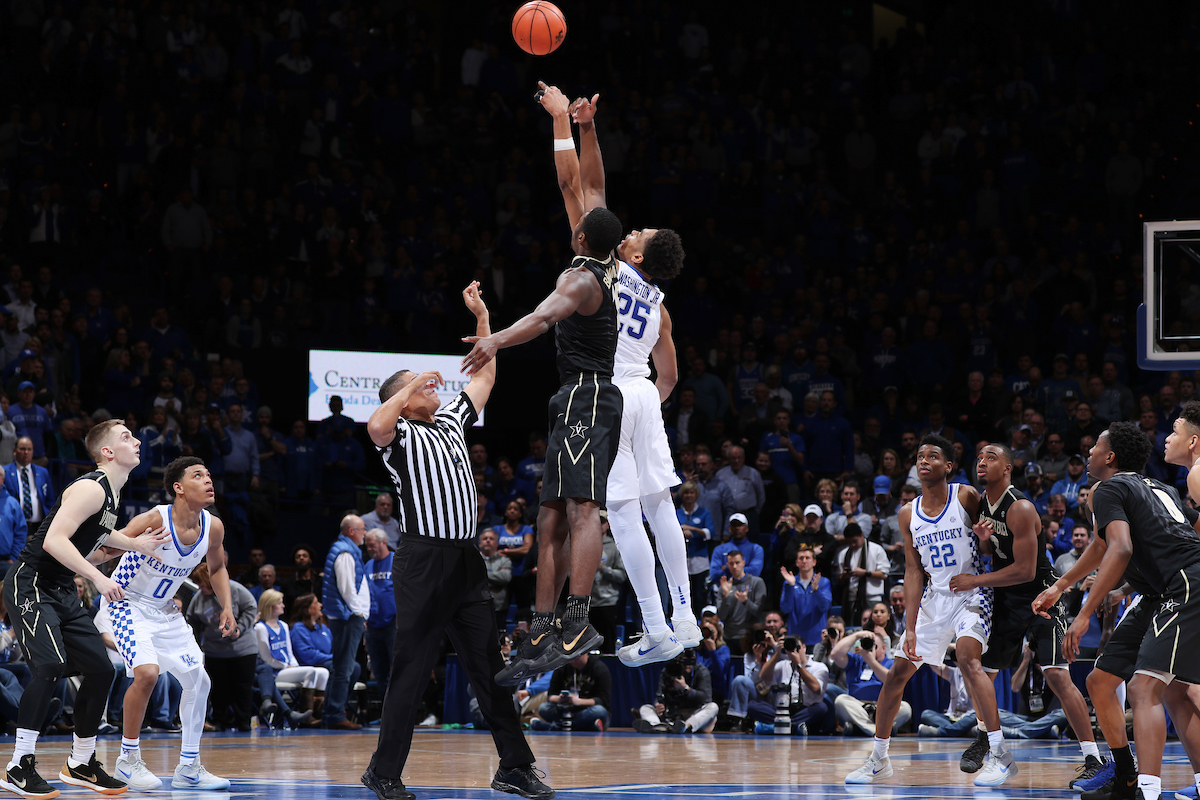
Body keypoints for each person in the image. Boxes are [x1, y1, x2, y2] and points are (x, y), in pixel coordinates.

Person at [461, 85, 628, 686]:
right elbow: (580, 185)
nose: (574, 219)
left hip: (590, 392)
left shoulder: (582, 279)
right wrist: (574, 125)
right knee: (550, 512)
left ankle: (579, 621)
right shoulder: (600, 249)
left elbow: (539, 317)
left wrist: (494, 339)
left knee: (584, 508)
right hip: (574, 395)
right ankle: (543, 625)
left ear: (584, 237)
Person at [362, 282, 551, 800]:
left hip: (467, 560)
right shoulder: (398, 433)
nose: (434, 388)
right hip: (423, 560)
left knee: (491, 668)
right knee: (411, 670)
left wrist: (485, 318)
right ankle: (384, 771)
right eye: (423, 386)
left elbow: (485, 374)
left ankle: (514, 765)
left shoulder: (450, 420)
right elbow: (376, 424)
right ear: (403, 398)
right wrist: (408, 384)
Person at [539, 84, 695, 667]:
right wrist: (589, 128)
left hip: (608, 394)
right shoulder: (658, 303)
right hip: (646, 396)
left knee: (622, 513)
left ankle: (656, 626)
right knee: (662, 509)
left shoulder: (602, 265)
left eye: (640, 235)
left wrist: (568, 124)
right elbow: (672, 375)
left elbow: (580, 188)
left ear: (633, 256)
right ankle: (684, 618)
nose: (632, 230)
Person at [0, 419, 172, 798]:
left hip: (59, 589)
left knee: (99, 669)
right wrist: (98, 577)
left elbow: (96, 535)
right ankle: (18, 765)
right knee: (47, 668)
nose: (137, 440)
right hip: (31, 583)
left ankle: (81, 761)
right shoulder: (90, 487)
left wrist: (133, 543)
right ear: (107, 452)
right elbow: (55, 542)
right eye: (126, 437)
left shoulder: (110, 494)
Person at [1036, 420, 1200, 800]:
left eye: (1095, 447)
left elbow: (1120, 549)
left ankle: (1147, 790)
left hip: (1184, 585)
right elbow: (1101, 546)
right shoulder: (1159, 486)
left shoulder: (1107, 488)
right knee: (1101, 680)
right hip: (1162, 592)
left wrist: (1083, 615)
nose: (1089, 452)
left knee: (1146, 687)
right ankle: (1126, 774)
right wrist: (1061, 586)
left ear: (1109, 457)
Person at [845, 435, 1011, 788]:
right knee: (896, 676)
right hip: (934, 600)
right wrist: (910, 624)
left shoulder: (965, 495)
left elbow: (989, 541)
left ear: (948, 466)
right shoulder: (908, 514)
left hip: (972, 592)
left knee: (968, 658)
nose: (924, 461)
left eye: (933, 456)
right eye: (920, 456)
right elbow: (913, 571)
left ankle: (999, 754)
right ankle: (879, 758)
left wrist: (982, 541)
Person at [948, 443, 1098, 785]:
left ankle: (1092, 756)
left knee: (1057, 675)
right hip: (1007, 599)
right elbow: (994, 552)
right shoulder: (983, 503)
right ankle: (988, 738)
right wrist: (984, 542)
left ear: (1009, 468)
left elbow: (1025, 571)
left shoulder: (1021, 507)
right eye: (980, 457)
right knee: (982, 673)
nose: (982, 462)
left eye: (992, 457)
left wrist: (975, 579)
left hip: (1042, 596)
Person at [100, 457, 232, 791]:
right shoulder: (155, 518)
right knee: (147, 673)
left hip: (164, 610)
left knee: (198, 682)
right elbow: (107, 546)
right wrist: (82, 568)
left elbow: (216, 569)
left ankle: (189, 766)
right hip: (125, 602)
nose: (207, 480)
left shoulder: (213, 527)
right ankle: (128, 760)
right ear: (178, 487)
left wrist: (227, 606)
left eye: (209, 474)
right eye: (198, 475)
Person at [186, 561, 257, 733]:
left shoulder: (235, 589)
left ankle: (243, 722)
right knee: (218, 689)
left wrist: (239, 628)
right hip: (215, 651)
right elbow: (192, 620)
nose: (200, 589)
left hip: (242, 649)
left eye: (202, 585)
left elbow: (251, 607)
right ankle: (219, 721)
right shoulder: (199, 598)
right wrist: (196, 644)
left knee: (242, 688)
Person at [321, 513, 369, 730]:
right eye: (362, 529)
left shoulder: (344, 550)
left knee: (341, 666)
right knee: (344, 668)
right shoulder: (346, 552)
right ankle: (336, 713)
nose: (365, 534)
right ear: (351, 531)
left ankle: (330, 712)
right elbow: (347, 589)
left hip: (346, 616)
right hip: (348, 617)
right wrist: (359, 612)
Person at [252, 589, 325, 728]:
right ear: (269, 605)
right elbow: (266, 657)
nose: (283, 606)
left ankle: (316, 715)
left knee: (323, 672)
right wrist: (287, 667)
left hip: (287, 668)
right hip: (274, 672)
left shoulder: (284, 625)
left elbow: (289, 652)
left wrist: (295, 666)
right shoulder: (260, 628)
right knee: (311, 671)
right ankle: (305, 716)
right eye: (279, 603)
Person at [831, 627, 912, 736]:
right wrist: (857, 635)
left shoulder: (890, 663)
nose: (870, 649)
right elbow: (835, 654)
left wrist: (871, 661)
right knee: (841, 700)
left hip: (882, 707)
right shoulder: (856, 660)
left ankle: (860, 728)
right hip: (859, 707)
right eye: (868, 645)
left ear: (884, 648)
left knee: (905, 708)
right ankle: (876, 731)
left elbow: (891, 681)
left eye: (875, 646)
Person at [634, 650, 718, 734]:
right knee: (645, 708)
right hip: (672, 714)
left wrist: (685, 688)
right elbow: (659, 694)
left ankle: (685, 726)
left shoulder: (702, 672)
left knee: (713, 707)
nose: (687, 665)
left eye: (690, 661)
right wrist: (658, 705)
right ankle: (657, 725)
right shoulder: (668, 671)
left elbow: (705, 699)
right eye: (684, 661)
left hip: (692, 714)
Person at [529, 651, 610, 732]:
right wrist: (559, 699)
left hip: (586, 710)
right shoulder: (562, 668)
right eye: (571, 657)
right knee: (543, 708)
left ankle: (556, 726)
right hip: (566, 710)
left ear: (586, 653)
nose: (574, 660)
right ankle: (588, 727)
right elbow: (550, 696)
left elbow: (602, 700)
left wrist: (579, 701)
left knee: (599, 711)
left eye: (577, 657)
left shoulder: (599, 668)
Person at [363, 529, 395, 699]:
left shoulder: (396, 561)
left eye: (372, 545)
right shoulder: (368, 565)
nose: (369, 548)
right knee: (379, 671)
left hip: (394, 624)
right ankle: (385, 711)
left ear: (383, 542)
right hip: (373, 626)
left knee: (397, 669)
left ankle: (399, 711)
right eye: (367, 545)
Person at [779, 546, 832, 646]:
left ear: (814, 562)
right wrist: (790, 586)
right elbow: (785, 609)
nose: (804, 561)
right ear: (796, 562)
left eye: (807, 558)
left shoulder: (823, 582)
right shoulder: (789, 582)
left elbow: (825, 607)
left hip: (817, 639)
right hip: (795, 638)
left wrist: (816, 590)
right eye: (801, 558)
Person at [715, 551, 765, 654]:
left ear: (744, 563)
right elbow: (721, 616)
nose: (734, 566)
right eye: (731, 563)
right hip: (730, 637)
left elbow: (759, 612)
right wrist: (726, 596)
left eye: (737, 562)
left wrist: (746, 601)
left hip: (750, 636)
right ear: (727, 565)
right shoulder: (724, 587)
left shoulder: (757, 582)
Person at [4, 438, 54, 530]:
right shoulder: (5, 472)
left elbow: (50, 499)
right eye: (22, 449)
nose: (26, 452)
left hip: (39, 526)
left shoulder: (42, 472)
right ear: (15, 451)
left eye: (29, 449)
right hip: (14, 526)